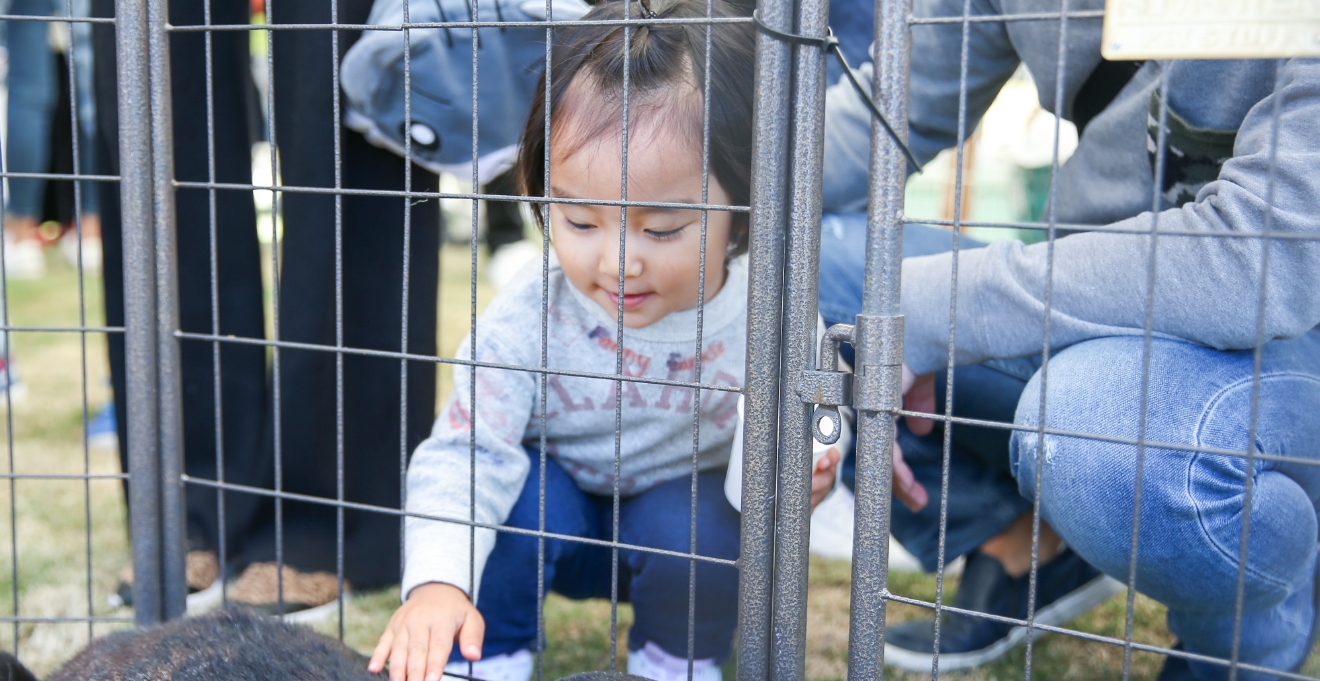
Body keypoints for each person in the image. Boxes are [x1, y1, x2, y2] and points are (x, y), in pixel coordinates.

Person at [821, 0, 1320, 677]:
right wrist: (668, 189)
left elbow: (1267, 260)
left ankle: (1242, 646)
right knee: (800, 261)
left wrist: (937, 310)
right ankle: (1029, 544)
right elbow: (886, 113)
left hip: (1292, 336)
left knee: (1093, 430)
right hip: (1093, 298)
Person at [369, 3, 838, 680]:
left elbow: (819, 421)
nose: (619, 263)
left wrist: (811, 464)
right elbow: (465, 453)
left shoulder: (776, 312)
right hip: (556, 515)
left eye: (662, 229)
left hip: (684, 528)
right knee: (515, 496)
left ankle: (675, 660)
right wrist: (438, 581)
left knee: (701, 523)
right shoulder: (531, 313)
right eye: (580, 220)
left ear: (744, 205)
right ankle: (485, 656)